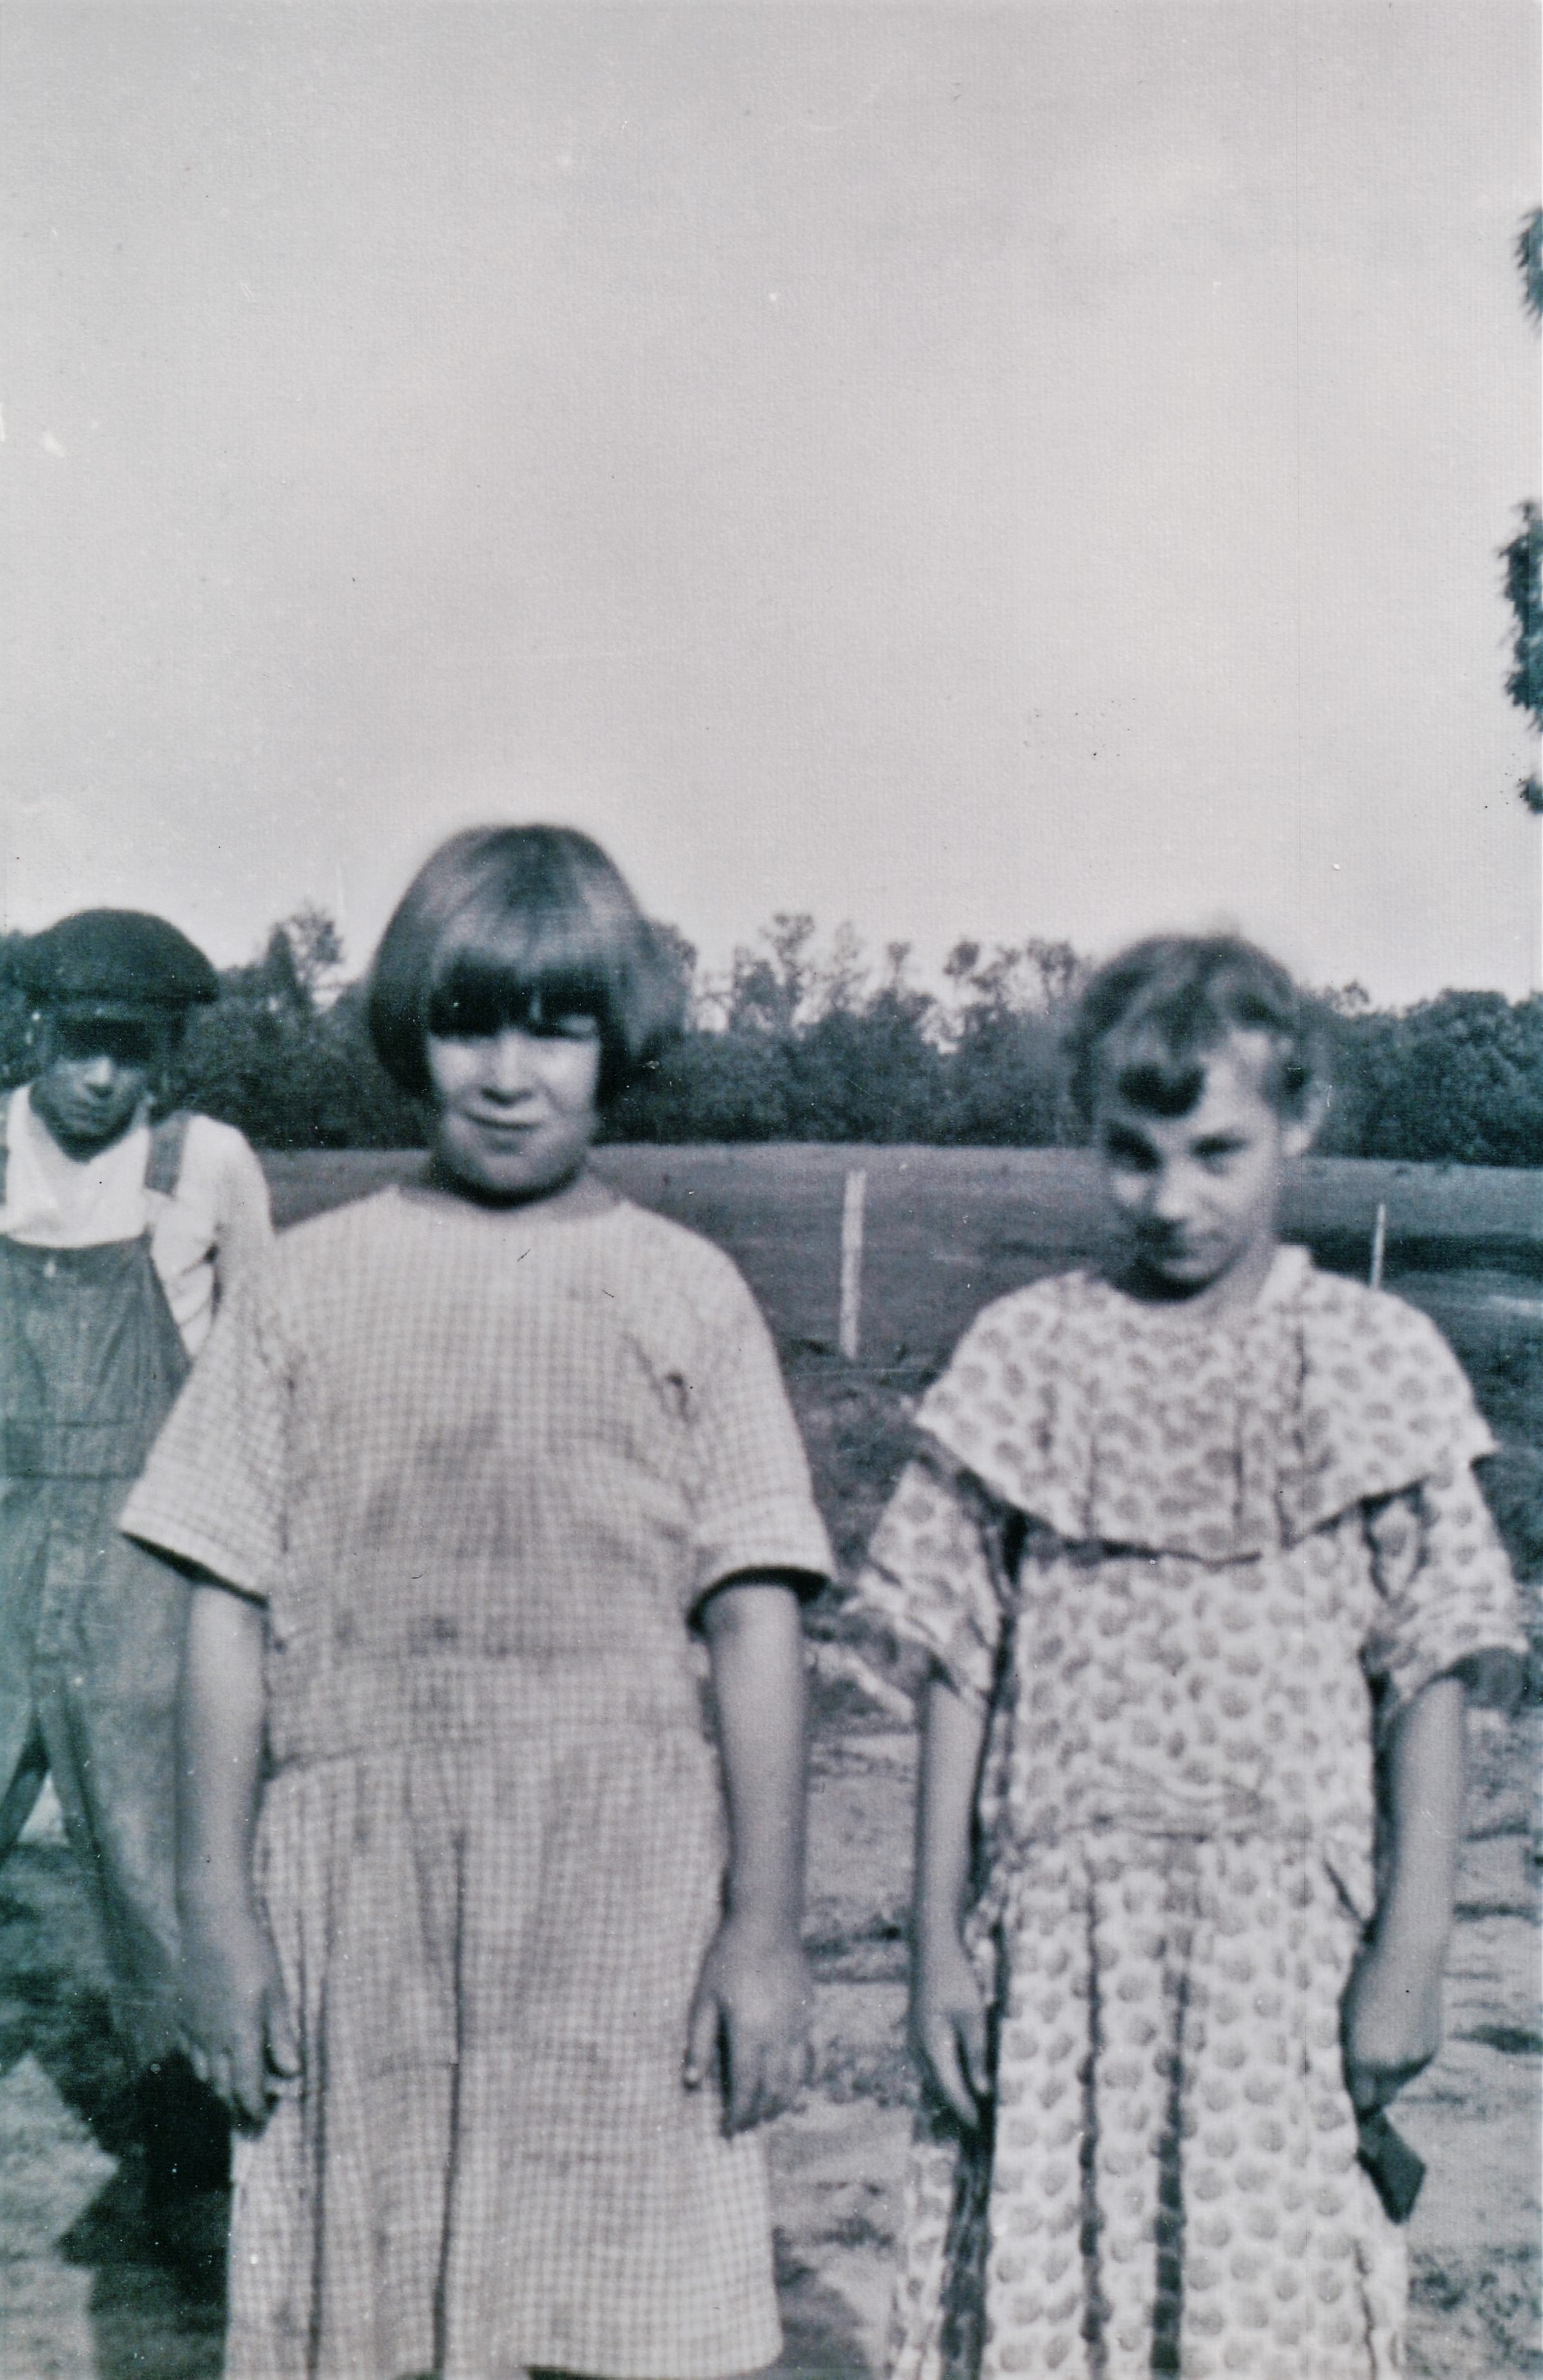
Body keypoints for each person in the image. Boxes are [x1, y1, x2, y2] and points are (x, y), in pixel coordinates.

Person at [121, 824, 832, 2380]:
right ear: (409, 1035)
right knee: (376, 2317)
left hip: (624, 1898)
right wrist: (217, 1915)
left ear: (615, 1042)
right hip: (359, 1897)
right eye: (467, 1022)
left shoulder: (687, 1294)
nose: (509, 1071)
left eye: (555, 1026)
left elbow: (757, 1623)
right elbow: (223, 1611)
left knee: (617, 2309)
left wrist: (764, 1930)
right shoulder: (304, 1289)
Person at [854, 934, 1527, 2380]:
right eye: (1132, 1154)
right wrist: (930, 1945)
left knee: (1254, 2313)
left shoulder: (1369, 1359)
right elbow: (956, 1662)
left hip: (1276, 1944)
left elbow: (1435, 1671)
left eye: (1216, 1151)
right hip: (1055, 1941)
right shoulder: (1027, 1356)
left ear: (1299, 1120)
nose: (1171, 1198)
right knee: (1050, 2310)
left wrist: (1413, 1944)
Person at [0, 907, 272, 2223]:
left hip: (149, 1550)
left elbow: (262, 1367)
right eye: (82, 1045)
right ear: (35, 1028)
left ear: (165, 1051)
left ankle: (185, 2166)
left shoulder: (206, 1162)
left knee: (157, 1858)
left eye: (133, 1050)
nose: (103, 1076)